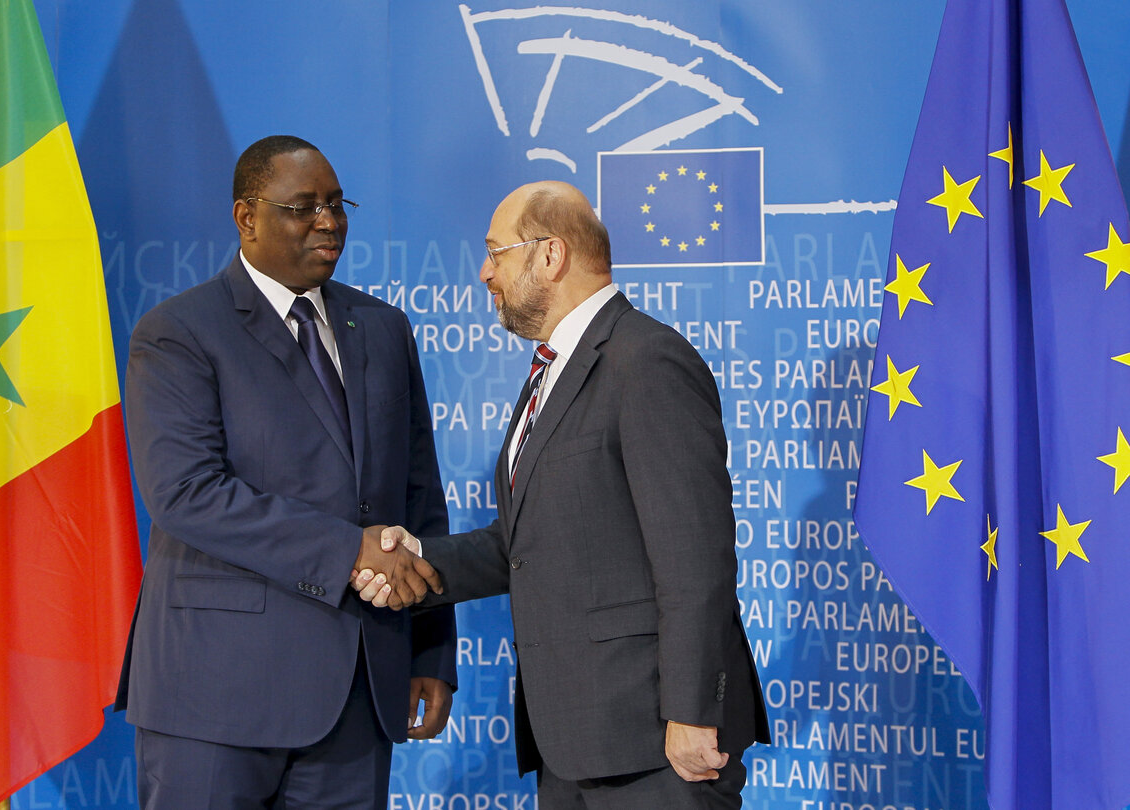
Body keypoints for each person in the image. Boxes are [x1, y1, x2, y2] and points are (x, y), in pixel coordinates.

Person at [353, 181, 770, 809]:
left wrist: (689, 714)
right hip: (570, 740)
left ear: (551, 255)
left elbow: (695, 559)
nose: (484, 272)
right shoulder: (552, 371)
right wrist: (414, 557)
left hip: (655, 743)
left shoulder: (647, 361)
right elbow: (525, 544)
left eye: (497, 252)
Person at [115, 135, 455, 810]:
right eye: (303, 207)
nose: (328, 222)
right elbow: (185, 495)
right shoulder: (179, 332)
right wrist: (345, 550)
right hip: (214, 699)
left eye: (336, 205)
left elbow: (417, 500)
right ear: (247, 218)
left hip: (359, 693)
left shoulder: (382, 328)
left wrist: (428, 653)